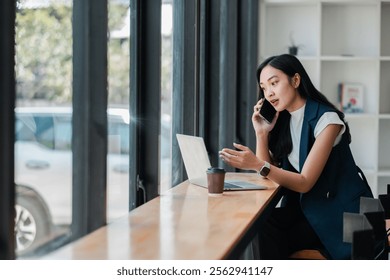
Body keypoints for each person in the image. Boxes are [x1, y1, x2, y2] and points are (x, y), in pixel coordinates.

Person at [219, 54, 373, 260]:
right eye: (264, 88)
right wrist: (262, 133)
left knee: (268, 229)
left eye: (274, 83)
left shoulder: (328, 121)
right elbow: (267, 175)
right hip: (309, 212)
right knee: (261, 223)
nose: (269, 93)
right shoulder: (286, 120)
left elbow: (304, 183)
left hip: (339, 218)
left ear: (296, 80)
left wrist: (256, 163)